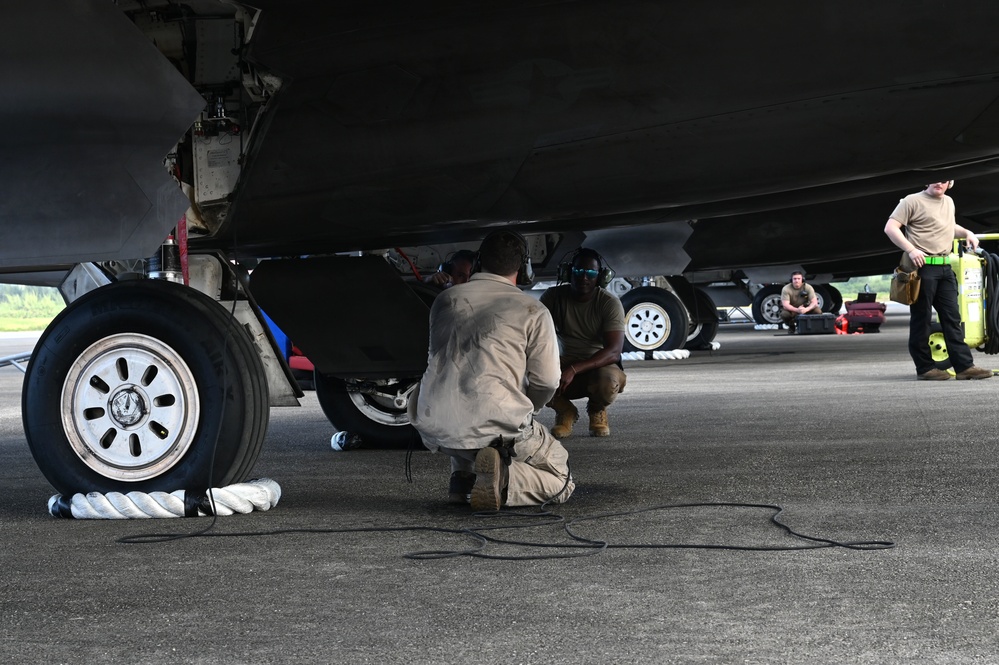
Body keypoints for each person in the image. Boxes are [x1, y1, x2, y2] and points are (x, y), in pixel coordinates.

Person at [408, 230, 574, 510]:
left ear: (476, 262)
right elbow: (547, 381)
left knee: (466, 384)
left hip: (434, 426)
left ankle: (461, 481)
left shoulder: (445, 301)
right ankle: (501, 478)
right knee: (562, 480)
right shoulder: (532, 310)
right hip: (495, 429)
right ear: (523, 270)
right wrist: (528, 407)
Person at [884, 180, 992, 380]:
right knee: (921, 319)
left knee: (952, 318)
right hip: (922, 268)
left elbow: (949, 227)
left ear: (950, 183)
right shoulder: (911, 201)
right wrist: (911, 249)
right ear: (927, 180)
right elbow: (890, 228)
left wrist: (967, 232)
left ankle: (964, 367)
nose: (939, 183)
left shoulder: (948, 202)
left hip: (945, 266)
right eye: (936, 179)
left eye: (944, 180)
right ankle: (925, 369)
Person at [540, 248, 627, 438]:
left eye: (592, 273)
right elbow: (536, 336)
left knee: (608, 383)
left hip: (599, 363)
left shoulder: (608, 303)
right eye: (579, 271)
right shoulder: (552, 298)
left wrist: (574, 368)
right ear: (568, 272)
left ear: (601, 276)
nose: (584, 277)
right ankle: (565, 411)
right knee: (528, 374)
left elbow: (614, 351)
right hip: (564, 360)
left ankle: (597, 408)